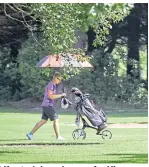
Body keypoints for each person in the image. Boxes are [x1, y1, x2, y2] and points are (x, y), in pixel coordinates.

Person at [26, 72, 66, 141]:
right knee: (56, 119)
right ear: (55, 78)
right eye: (59, 79)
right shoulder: (51, 85)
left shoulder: (53, 85)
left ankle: (30, 134)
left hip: (45, 105)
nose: (59, 81)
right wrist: (61, 95)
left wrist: (60, 95)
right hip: (48, 105)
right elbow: (50, 96)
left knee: (43, 121)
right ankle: (58, 137)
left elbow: (52, 96)